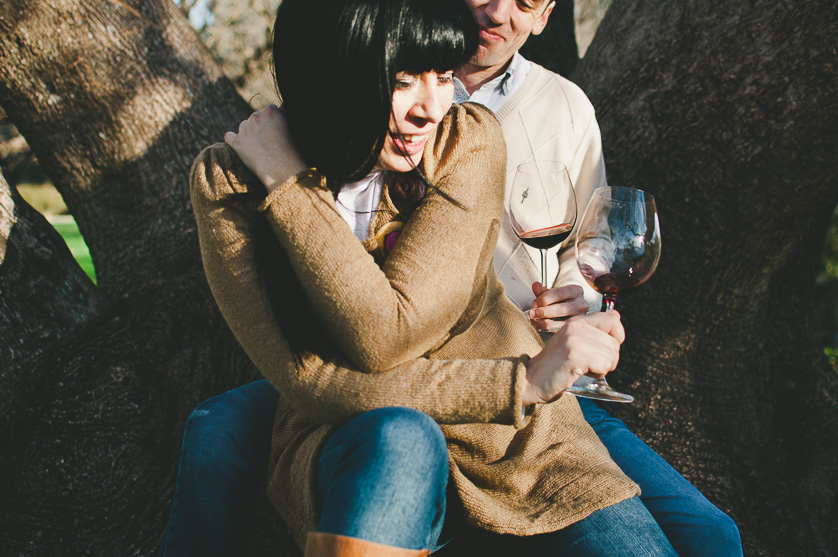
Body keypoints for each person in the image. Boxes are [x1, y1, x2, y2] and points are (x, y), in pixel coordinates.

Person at [160, 1, 741, 556]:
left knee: (701, 537)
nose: (431, 105)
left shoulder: (465, 138)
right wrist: (292, 189)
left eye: (441, 74)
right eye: (405, 78)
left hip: (523, 442)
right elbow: (320, 373)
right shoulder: (229, 183)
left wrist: (534, 375)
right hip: (361, 430)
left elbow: (387, 333)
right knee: (380, 438)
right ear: (334, 65)